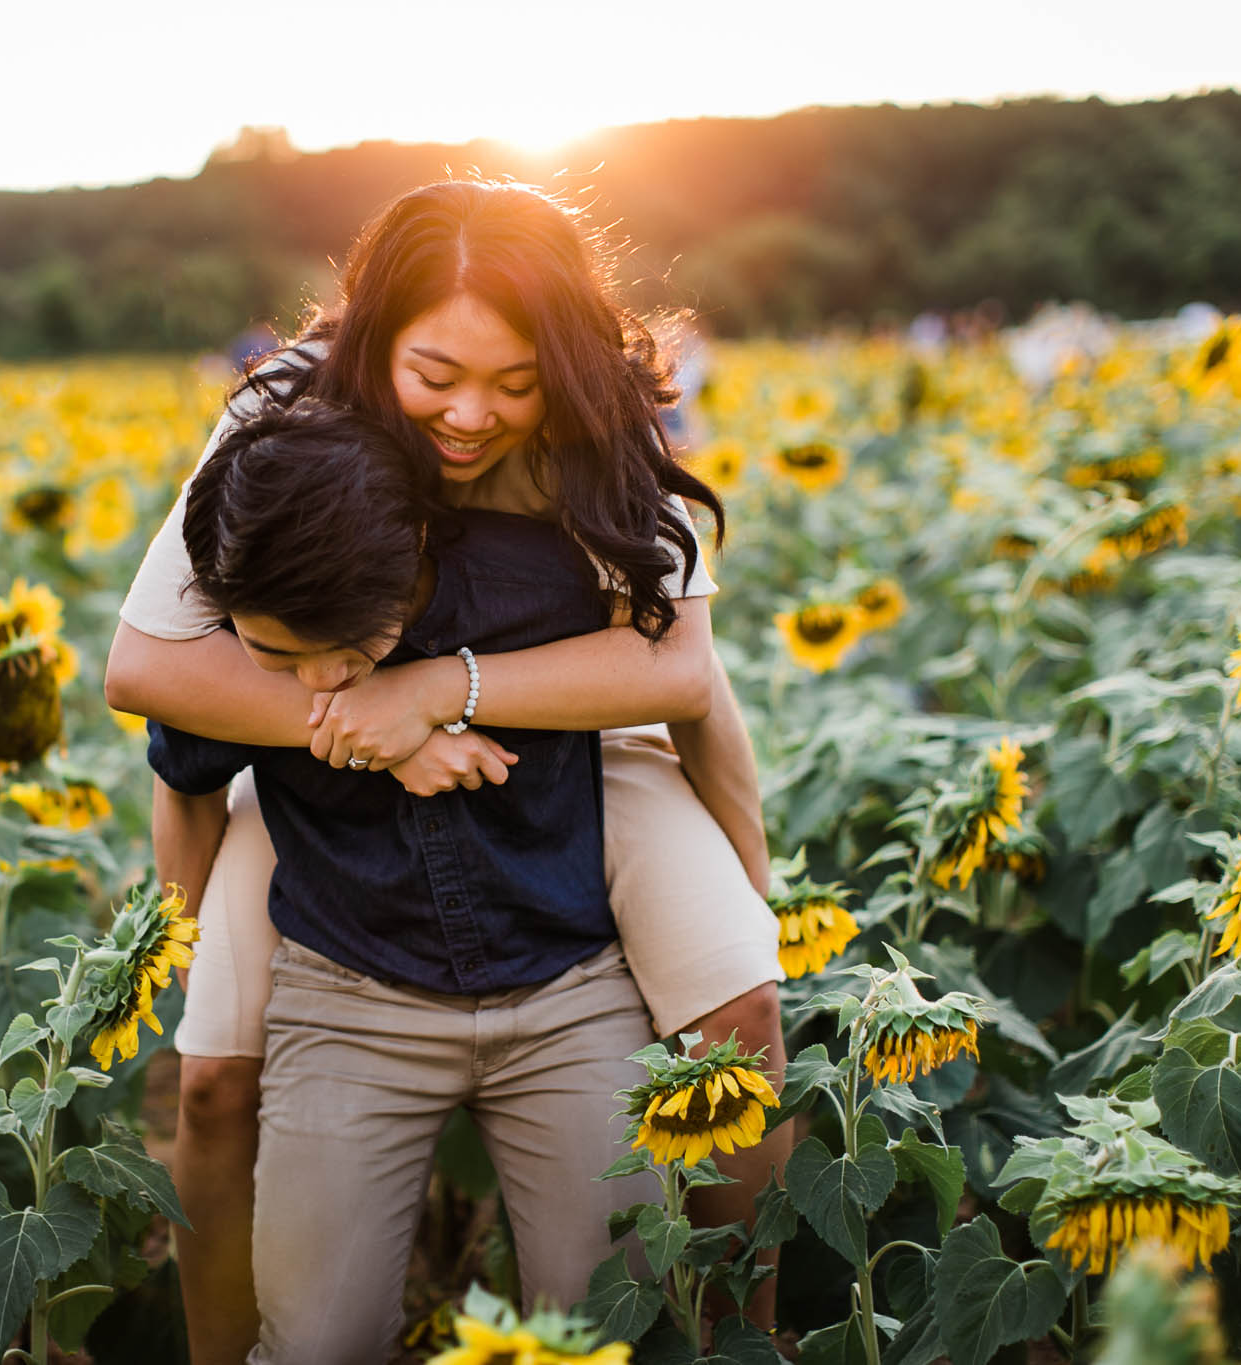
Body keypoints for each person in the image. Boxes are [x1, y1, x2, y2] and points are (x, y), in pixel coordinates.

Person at [103, 180, 790, 1362]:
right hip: (307, 733)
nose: (473, 415)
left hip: (565, 735)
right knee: (213, 1070)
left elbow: (682, 676)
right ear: (372, 344)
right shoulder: (283, 409)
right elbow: (148, 669)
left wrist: (435, 691)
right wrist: (367, 716)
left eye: (512, 384)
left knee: (738, 999)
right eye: (435, 378)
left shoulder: (592, 415)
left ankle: (742, 1334)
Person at [151, 397, 662, 1361]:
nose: (318, 685)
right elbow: (182, 779)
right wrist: (179, 950)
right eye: (277, 655)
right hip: (350, 999)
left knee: (610, 1328)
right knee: (316, 1346)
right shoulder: (231, 643)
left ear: (416, 551)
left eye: (350, 648)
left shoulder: (545, 592)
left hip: (566, 989)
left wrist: (429, 697)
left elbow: (676, 671)